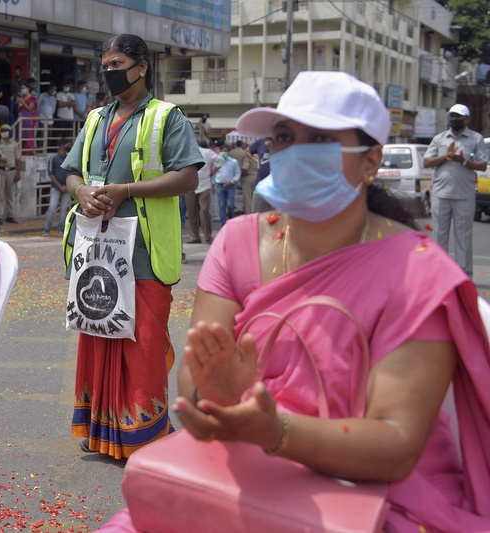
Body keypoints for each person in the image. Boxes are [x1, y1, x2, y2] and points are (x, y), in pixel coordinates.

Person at [100, 70, 490, 532]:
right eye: (284, 137)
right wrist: (215, 397)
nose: (296, 152)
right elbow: (198, 376)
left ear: (371, 161)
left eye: (321, 138)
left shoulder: (418, 272)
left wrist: (275, 431)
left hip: (375, 498)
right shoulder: (237, 241)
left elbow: (396, 442)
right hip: (241, 476)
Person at [63, 33, 203, 459]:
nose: (110, 72)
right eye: (104, 65)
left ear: (142, 67)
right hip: (97, 249)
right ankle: (102, 431)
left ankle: (143, 435)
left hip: (143, 252)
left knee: (141, 343)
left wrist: (125, 189)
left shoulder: (166, 117)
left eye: (117, 63)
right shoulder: (94, 119)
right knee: (99, 335)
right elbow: (70, 172)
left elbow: (187, 177)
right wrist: (81, 191)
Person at [424, 104, 488, 277]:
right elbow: (426, 162)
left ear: (467, 119)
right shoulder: (440, 138)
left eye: (459, 117)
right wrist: (445, 157)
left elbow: (482, 165)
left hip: (464, 195)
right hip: (441, 194)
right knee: (439, 235)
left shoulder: (476, 139)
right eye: (452, 116)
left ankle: (464, 276)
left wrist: (464, 161)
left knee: (464, 238)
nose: (455, 119)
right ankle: (439, 274)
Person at [185, 141, 222, 244]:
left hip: (204, 186)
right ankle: (194, 236)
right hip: (189, 186)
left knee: (204, 211)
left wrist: (213, 172)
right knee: (191, 213)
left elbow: (220, 160)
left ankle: (207, 236)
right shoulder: (185, 151)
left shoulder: (207, 152)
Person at [43, 137, 72, 237]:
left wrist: (67, 186)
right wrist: (60, 186)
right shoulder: (54, 158)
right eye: (67, 145)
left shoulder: (70, 158)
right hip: (56, 187)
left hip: (67, 187)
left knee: (64, 209)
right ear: (62, 146)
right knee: (52, 207)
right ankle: (47, 229)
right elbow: (51, 174)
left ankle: (61, 229)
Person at [0, 123, 21, 224]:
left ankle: (11, 215)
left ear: (9, 132)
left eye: (6, 131)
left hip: (11, 170)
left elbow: (18, 159)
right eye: (2, 131)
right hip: (1, 170)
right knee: (0, 194)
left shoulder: (14, 144)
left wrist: (18, 173)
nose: (4, 132)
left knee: (10, 194)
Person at [212, 150, 240, 227]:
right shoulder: (217, 162)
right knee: (221, 205)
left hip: (230, 185)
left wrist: (232, 181)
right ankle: (223, 223)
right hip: (219, 185)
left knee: (230, 204)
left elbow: (237, 173)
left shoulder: (233, 162)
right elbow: (214, 173)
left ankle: (231, 219)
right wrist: (213, 184)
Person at [248, 136, 273, 212]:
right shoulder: (260, 142)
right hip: (260, 183)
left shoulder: (281, 142)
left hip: (277, 186)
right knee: (258, 213)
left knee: (276, 216)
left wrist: (271, 147)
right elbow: (247, 151)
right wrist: (256, 160)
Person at [15, 79, 38, 155]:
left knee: (28, 136)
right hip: (20, 118)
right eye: (21, 88)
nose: (22, 90)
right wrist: (19, 104)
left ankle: (30, 152)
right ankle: (23, 152)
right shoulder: (21, 97)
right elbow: (18, 109)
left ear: (28, 89)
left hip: (27, 119)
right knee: (21, 136)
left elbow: (29, 108)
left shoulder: (32, 97)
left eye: (24, 88)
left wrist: (23, 103)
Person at [38, 83, 57, 148]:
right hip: (41, 118)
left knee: (49, 135)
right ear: (49, 89)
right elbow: (38, 105)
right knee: (41, 134)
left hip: (50, 119)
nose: (53, 91)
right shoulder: (42, 96)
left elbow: (53, 109)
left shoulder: (53, 98)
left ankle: (46, 148)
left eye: (55, 90)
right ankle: (40, 148)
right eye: (52, 89)